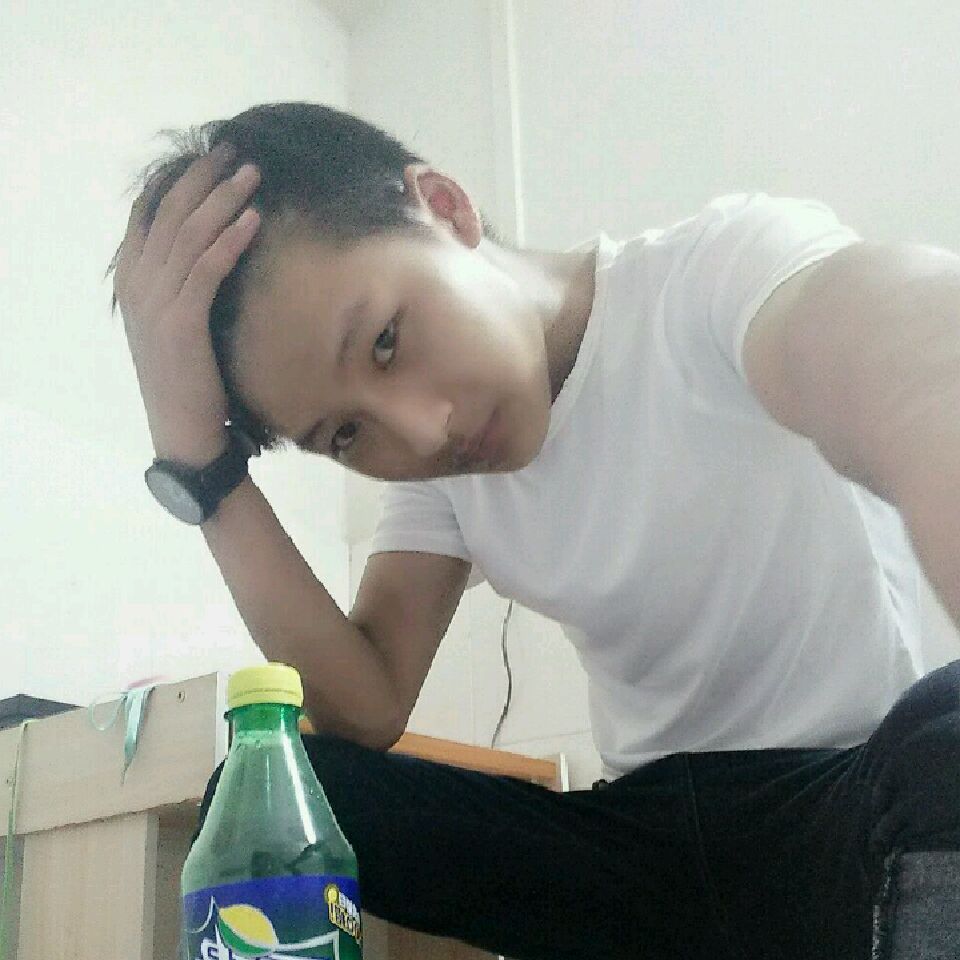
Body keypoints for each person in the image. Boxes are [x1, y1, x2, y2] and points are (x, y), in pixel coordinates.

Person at [108, 101, 960, 959]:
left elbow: (908, 342)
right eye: (346, 434)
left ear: (445, 208)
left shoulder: (711, 275)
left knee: (949, 728)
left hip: (848, 815)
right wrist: (198, 460)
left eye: (387, 341)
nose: (422, 433)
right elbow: (363, 709)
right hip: (644, 851)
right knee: (300, 795)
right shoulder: (444, 477)